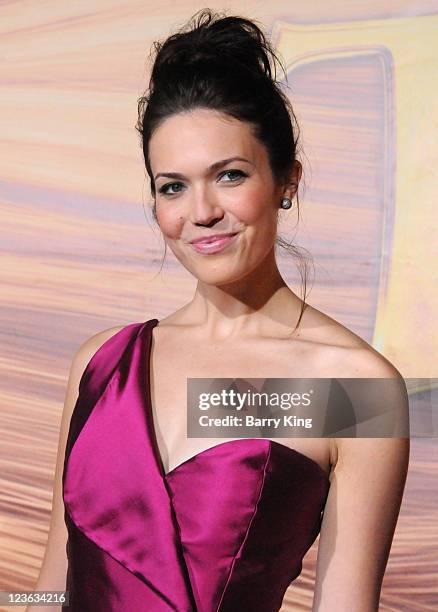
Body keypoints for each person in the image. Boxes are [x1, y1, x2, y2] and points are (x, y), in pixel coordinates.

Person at [31, 8, 410, 612]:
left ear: (287, 180)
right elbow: (51, 588)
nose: (200, 212)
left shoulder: (354, 389)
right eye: (172, 186)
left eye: (229, 175)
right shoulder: (103, 363)